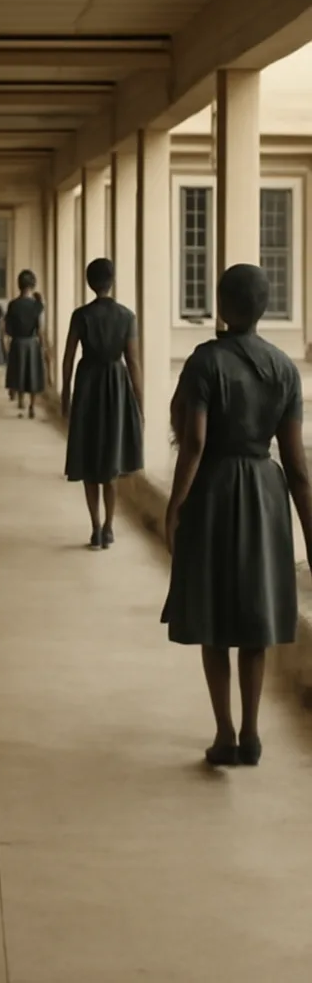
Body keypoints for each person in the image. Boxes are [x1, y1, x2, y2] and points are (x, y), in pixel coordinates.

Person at [163, 263, 312, 768]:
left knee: (214, 616)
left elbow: (196, 440)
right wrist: (310, 537)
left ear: (221, 308)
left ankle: (224, 732)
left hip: (215, 491)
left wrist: (176, 502)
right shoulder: (284, 368)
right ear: (265, 308)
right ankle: (251, 732)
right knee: (254, 619)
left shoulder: (206, 362)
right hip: (264, 492)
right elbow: (296, 464)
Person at [62, 258, 144, 549]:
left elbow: (69, 357)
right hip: (115, 386)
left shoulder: (80, 315)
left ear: (89, 281)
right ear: (112, 280)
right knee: (110, 458)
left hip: (87, 384)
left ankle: (95, 527)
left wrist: (65, 392)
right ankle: (109, 526)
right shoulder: (126, 316)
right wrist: (139, 402)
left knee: (88, 456)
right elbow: (133, 362)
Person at [4, 270, 46, 418]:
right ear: (33, 285)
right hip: (32, 342)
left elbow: (7, 329)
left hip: (17, 342)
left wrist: (8, 344)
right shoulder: (37, 305)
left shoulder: (13, 305)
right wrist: (43, 346)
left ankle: (21, 400)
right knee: (32, 374)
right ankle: (32, 406)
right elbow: (40, 328)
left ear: (19, 285)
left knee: (19, 372)